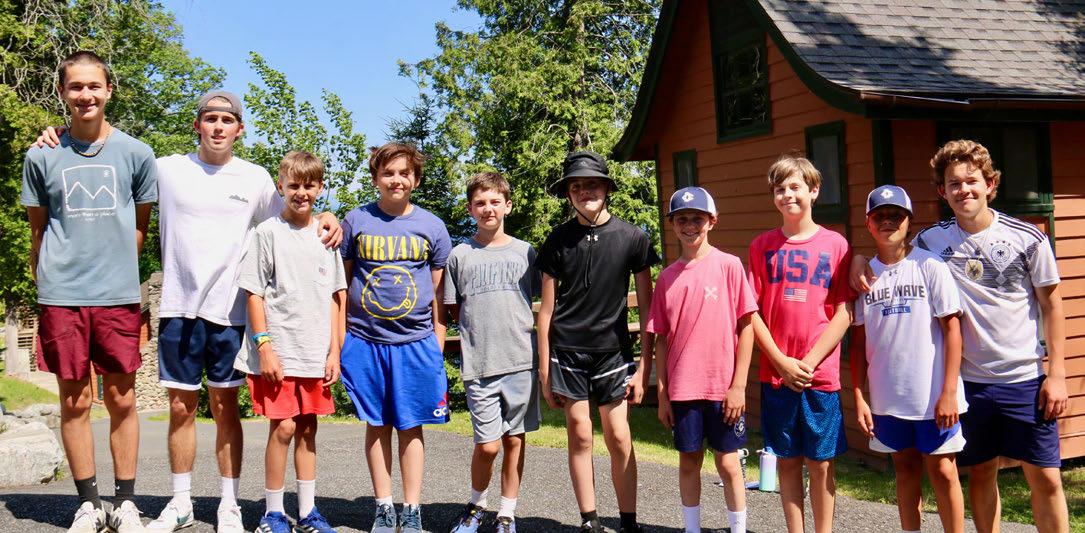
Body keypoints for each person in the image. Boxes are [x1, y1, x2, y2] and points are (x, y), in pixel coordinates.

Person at [35, 90, 343, 533]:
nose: (218, 126)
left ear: (239, 129)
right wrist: (60, 136)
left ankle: (229, 504)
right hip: (178, 307)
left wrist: (331, 216)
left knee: (225, 408)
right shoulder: (165, 168)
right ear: (197, 125)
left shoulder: (255, 178)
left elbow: (297, 215)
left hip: (231, 312)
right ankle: (181, 502)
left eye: (227, 120)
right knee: (181, 408)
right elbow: (106, 157)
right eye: (210, 118)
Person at [851, 141, 1070, 533]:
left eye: (972, 181)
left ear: (990, 184)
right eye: (954, 183)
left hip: (1024, 379)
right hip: (969, 382)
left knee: (1046, 478)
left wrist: (1057, 374)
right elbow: (891, 252)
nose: (963, 189)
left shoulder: (1028, 238)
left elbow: (1052, 306)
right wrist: (857, 261)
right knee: (982, 474)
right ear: (942, 191)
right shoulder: (932, 241)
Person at [22, 50, 157, 533]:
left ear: (108, 90)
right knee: (74, 401)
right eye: (76, 86)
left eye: (93, 86)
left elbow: (139, 227)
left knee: (122, 400)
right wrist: (51, 279)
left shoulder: (137, 153)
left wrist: (113, 267)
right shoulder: (41, 155)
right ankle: (89, 504)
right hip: (62, 295)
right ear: (63, 92)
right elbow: (39, 230)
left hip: (116, 295)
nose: (85, 95)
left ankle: (125, 503)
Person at [536, 150, 658, 533]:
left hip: (614, 353)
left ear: (607, 188)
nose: (585, 191)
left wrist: (645, 367)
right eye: (576, 186)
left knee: (619, 436)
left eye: (593, 184)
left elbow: (649, 310)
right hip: (567, 352)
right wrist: (544, 371)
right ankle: (589, 520)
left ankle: (629, 521)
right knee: (580, 432)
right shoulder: (558, 240)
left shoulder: (633, 238)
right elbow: (545, 312)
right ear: (568, 194)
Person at [338, 142, 452, 533]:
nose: (396, 180)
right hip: (366, 341)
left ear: (416, 179)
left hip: (416, 344)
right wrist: (342, 341)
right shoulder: (355, 221)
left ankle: (412, 509)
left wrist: (437, 344)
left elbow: (439, 295)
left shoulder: (432, 227)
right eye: (388, 173)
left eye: (404, 173)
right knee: (377, 424)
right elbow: (343, 284)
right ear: (375, 179)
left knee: (411, 425)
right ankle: (384, 507)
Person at [235, 151, 347, 533]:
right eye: (293, 185)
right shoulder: (267, 233)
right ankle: (272, 513)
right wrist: (264, 347)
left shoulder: (326, 237)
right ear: (281, 185)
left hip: (314, 352)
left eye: (309, 185)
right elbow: (253, 294)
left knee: (308, 429)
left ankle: (308, 511)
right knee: (282, 428)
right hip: (279, 351)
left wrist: (334, 351)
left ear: (320, 188)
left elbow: (335, 297)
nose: (301, 192)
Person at [849, 185, 967, 533]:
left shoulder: (930, 266)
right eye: (879, 216)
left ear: (909, 221)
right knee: (904, 469)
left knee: (943, 472)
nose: (888, 221)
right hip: (888, 398)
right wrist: (859, 396)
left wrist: (949, 392)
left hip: (933, 397)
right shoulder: (863, 277)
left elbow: (953, 330)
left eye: (896, 215)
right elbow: (858, 344)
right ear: (868, 224)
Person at [747, 154, 853, 533]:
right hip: (777, 376)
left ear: (814, 191)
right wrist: (780, 361)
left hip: (818, 377)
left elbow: (844, 312)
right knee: (788, 460)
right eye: (780, 189)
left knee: (821, 463)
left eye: (795, 187)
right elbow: (751, 312)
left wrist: (807, 362)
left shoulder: (836, 245)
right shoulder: (762, 246)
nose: (788, 195)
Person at [648, 187, 756, 533]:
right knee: (689, 461)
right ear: (672, 224)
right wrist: (663, 395)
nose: (690, 226)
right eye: (682, 219)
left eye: (697, 219)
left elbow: (747, 327)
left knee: (729, 464)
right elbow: (661, 339)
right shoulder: (667, 278)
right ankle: (691, 528)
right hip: (683, 389)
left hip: (723, 388)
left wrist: (738, 386)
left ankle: (738, 528)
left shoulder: (729, 266)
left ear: (712, 221)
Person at [444, 172, 541, 533]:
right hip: (480, 363)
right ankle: (476, 505)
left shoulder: (525, 252)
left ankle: (506, 513)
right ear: (471, 209)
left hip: (521, 361)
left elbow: (537, 301)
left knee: (515, 439)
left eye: (495, 202)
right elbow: (456, 310)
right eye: (480, 203)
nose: (488, 208)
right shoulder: (460, 255)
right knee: (487, 446)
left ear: (508, 206)